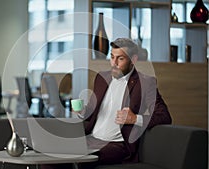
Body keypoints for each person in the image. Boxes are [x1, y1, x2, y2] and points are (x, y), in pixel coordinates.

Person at [40, 38, 172, 169]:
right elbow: (92, 112)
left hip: (116, 145)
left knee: (84, 160)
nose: (114, 63)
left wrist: (135, 119)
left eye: (120, 59)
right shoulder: (102, 78)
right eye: (112, 57)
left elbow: (164, 116)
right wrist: (82, 112)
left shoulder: (145, 83)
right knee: (50, 157)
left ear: (133, 60)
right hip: (90, 139)